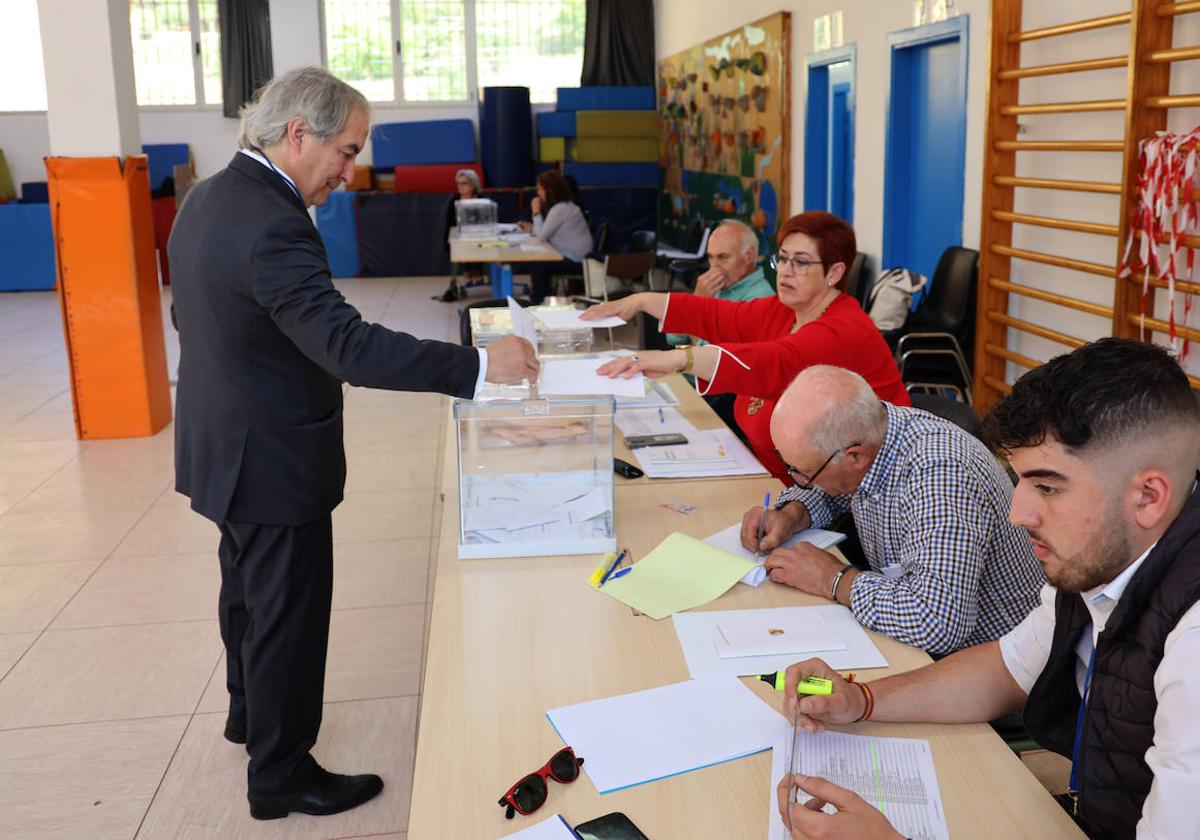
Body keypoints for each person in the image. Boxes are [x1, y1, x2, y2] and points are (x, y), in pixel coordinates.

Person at [168, 66, 538, 821]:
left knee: (245, 592)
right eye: (346, 150)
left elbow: (195, 318)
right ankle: (280, 774)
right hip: (271, 454)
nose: (351, 169)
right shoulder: (273, 221)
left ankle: (250, 717)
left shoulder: (208, 195)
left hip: (218, 441)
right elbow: (349, 346)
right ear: (298, 134)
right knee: (287, 616)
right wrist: (476, 364)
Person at [776, 338, 1200, 840]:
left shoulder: (1191, 644)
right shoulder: (1096, 561)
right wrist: (861, 700)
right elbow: (1006, 667)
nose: (1018, 514)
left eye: (1047, 487)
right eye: (1020, 482)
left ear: (1148, 498)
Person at [582, 211, 909, 484]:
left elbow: (773, 362)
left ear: (835, 273)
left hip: (865, 499)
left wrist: (678, 359)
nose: (786, 271)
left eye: (801, 262)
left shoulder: (841, 329)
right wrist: (639, 301)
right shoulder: (785, 310)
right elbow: (717, 314)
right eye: (782, 259)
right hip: (773, 482)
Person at [742, 365, 1042, 655]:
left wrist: (831, 578)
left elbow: (937, 623)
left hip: (994, 666)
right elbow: (837, 488)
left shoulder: (940, 476)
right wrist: (792, 514)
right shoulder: (875, 432)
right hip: (920, 641)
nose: (800, 481)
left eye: (802, 472)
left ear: (854, 456)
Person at [665, 219, 775, 434]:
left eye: (723, 257)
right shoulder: (720, 286)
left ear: (749, 256)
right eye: (710, 257)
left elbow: (706, 357)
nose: (714, 267)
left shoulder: (759, 298)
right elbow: (674, 338)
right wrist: (698, 301)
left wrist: (696, 307)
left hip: (713, 396)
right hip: (687, 381)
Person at [517, 170, 593, 303]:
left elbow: (541, 237)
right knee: (536, 264)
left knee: (538, 268)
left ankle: (538, 302)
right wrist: (533, 228)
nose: (538, 193)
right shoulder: (565, 206)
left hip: (576, 260)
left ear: (549, 190)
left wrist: (536, 212)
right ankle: (544, 297)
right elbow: (545, 232)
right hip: (575, 256)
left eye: (540, 189)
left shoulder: (560, 209)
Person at [436, 168, 485, 302]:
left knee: (478, 245)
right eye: (458, 183)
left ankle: (477, 273)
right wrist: (449, 240)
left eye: (464, 183)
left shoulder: (482, 199)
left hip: (479, 236)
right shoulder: (454, 200)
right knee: (461, 245)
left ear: (473, 184)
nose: (460, 187)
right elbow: (450, 223)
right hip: (460, 236)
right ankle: (467, 274)